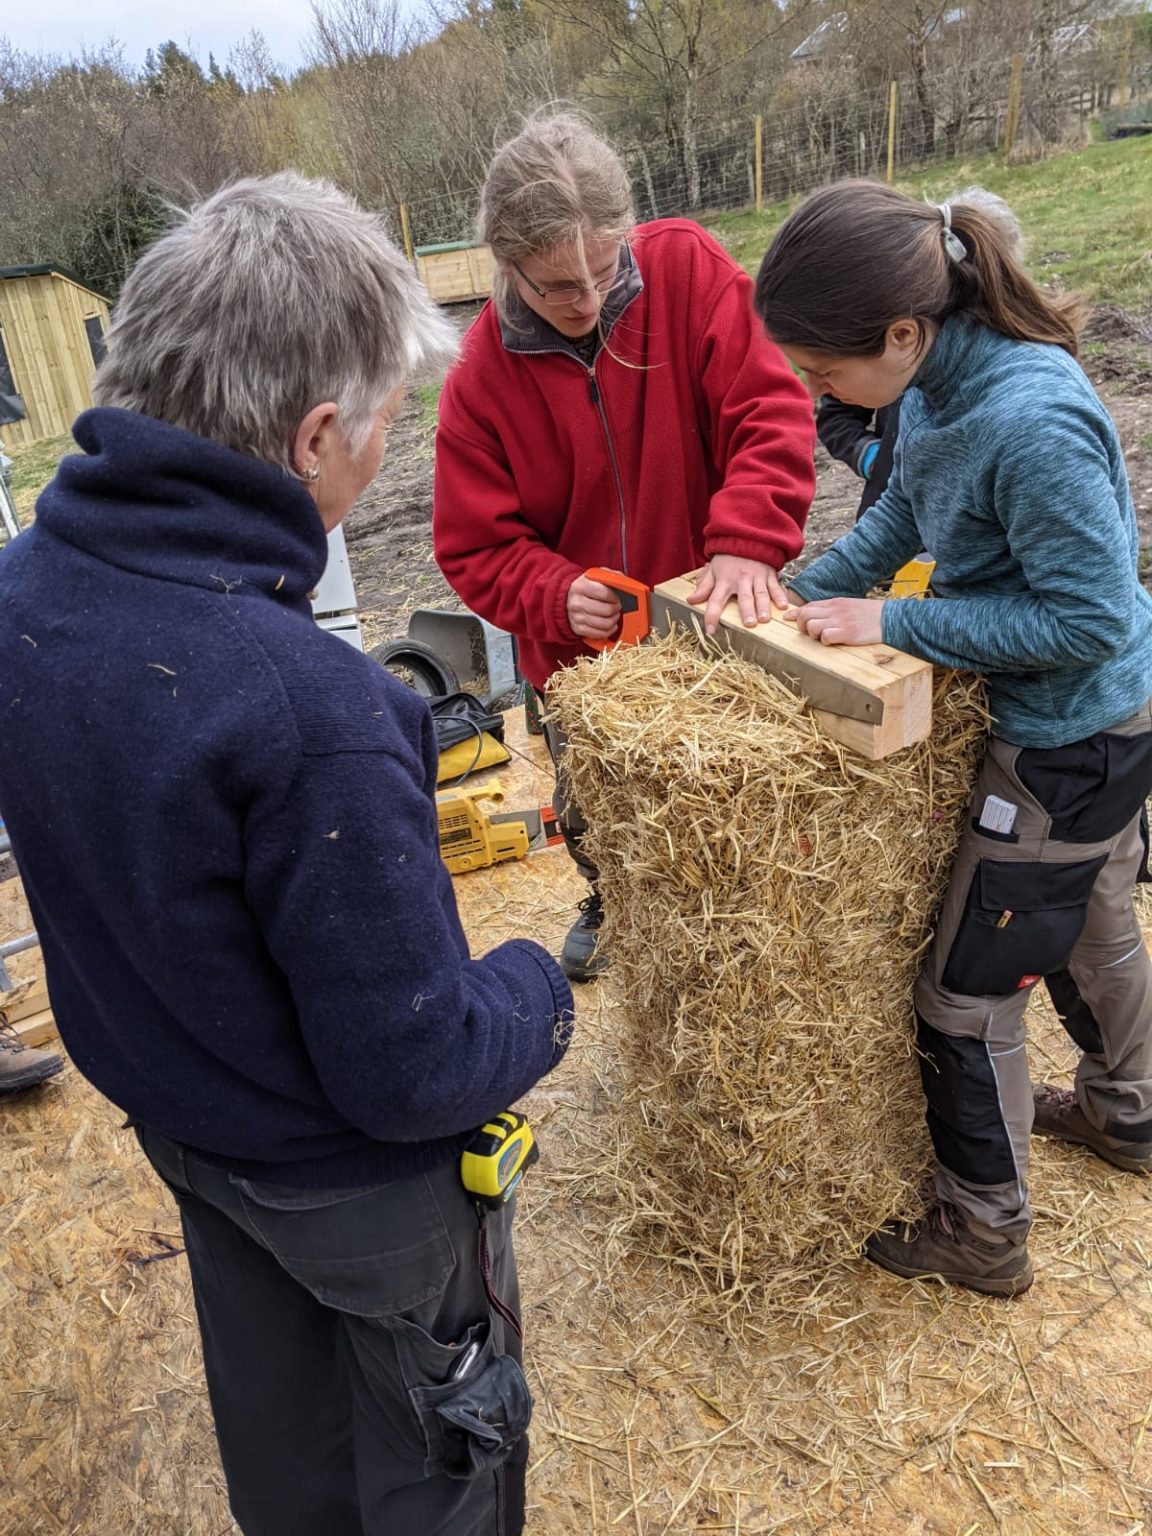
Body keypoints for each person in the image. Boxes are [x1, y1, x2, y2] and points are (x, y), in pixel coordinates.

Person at [0, 173, 574, 1536]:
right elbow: (413, 1069)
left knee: (283, 1416)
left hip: (188, 1122)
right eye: (382, 428)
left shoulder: (23, 588)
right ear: (318, 437)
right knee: (441, 1441)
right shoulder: (312, 712)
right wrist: (534, 989)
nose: (383, 453)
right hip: (350, 1186)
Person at [754, 179, 1152, 1298]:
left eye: (825, 377)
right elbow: (908, 509)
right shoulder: (933, 382)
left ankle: (984, 1231)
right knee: (1098, 916)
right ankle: (1132, 1114)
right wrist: (807, 595)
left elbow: (1091, 618)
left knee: (964, 998)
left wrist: (893, 620)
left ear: (900, 330)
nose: (817, 393)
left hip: (1072, 739)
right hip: (1102, 728)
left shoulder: (1030, 420)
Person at [433, 111, 816, 983]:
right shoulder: (479, 378)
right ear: (506, 263)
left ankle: (739, 918)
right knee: (597, 809)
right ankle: (610, 895)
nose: (589, 301)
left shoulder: (687, 268)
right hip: (583, 662)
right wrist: (553, 591)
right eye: (558, 286)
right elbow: (471, 544)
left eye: (605, 271)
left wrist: (749, 538)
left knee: (735, 799)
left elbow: (770, 411)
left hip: (716, 615)